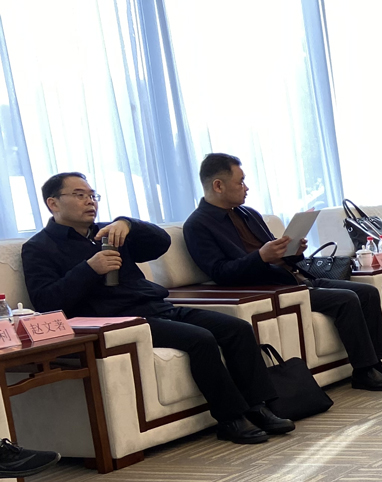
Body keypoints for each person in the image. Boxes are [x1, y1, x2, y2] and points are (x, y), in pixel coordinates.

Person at [22, 173, 293, 445]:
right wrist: (89, 269)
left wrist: (127, 223)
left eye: (93, 195)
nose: (90, 201)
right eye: (80, 195)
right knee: (200, 339)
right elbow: (46, 301)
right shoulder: (38, 248)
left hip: (158, 307)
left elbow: (161, 242)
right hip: (121, 321)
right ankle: (231, 419)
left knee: (237, 328)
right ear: (53, 203)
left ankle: (258, 407)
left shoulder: (110, 232)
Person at [182, 153, 382, 391]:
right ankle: (364, 371)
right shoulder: (198, 225)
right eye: (240, 182)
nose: (246, 187)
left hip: (293, 278)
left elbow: (275, 251)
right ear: (218, 186)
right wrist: (260, 257)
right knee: (347, 299)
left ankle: (377, 363)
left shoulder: (248, 214)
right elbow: (220, 272)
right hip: (268, 289)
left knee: (367, 292)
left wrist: (293, 250)